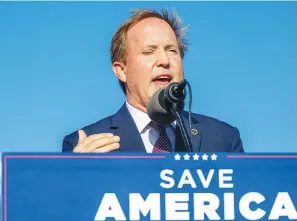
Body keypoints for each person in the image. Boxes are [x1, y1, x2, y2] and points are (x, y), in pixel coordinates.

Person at [62, 8, 244, 153]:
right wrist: (79, 176)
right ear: (121, 70)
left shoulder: (224, 139)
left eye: (172, 50)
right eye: (149, 51)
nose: (165, 61)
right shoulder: (84, 142)